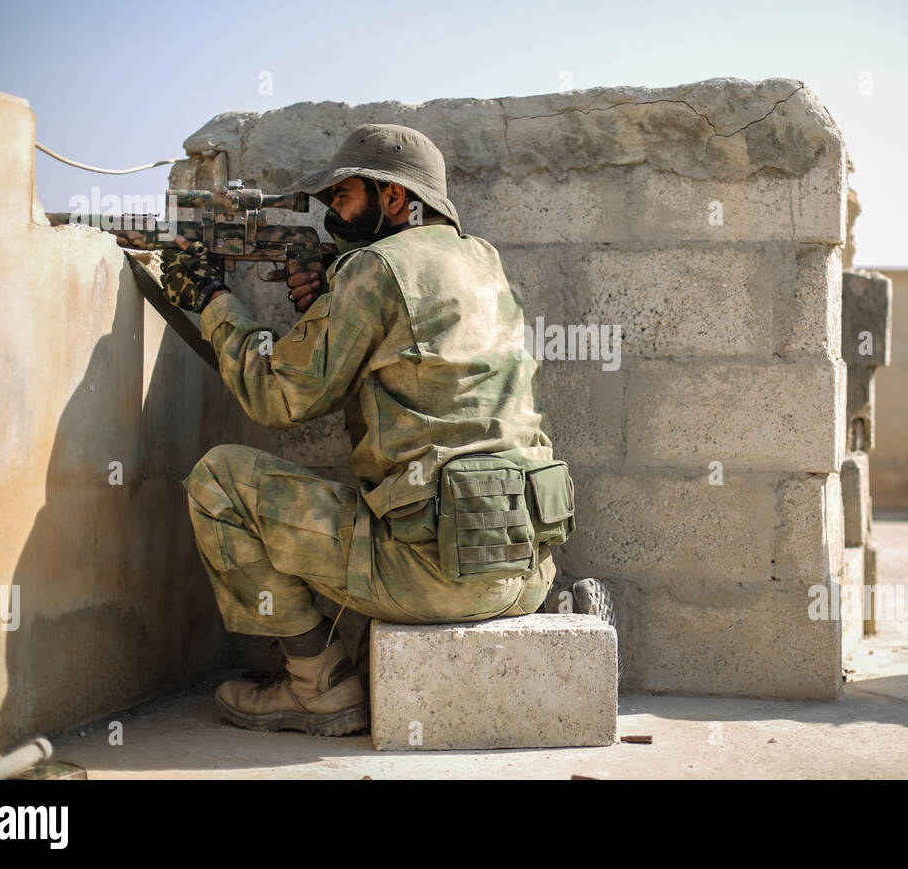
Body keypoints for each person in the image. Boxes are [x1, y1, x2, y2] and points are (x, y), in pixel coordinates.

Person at [158, 124, 609, 736]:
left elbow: (279, 396)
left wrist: (213, 300)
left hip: (433, 576)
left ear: (394, 199)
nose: (332, 219)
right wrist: (329, 303)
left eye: (342, 199)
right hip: (524, 571)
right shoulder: (483, 262)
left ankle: (317, 690)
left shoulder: (373, 268)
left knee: (218, 482)